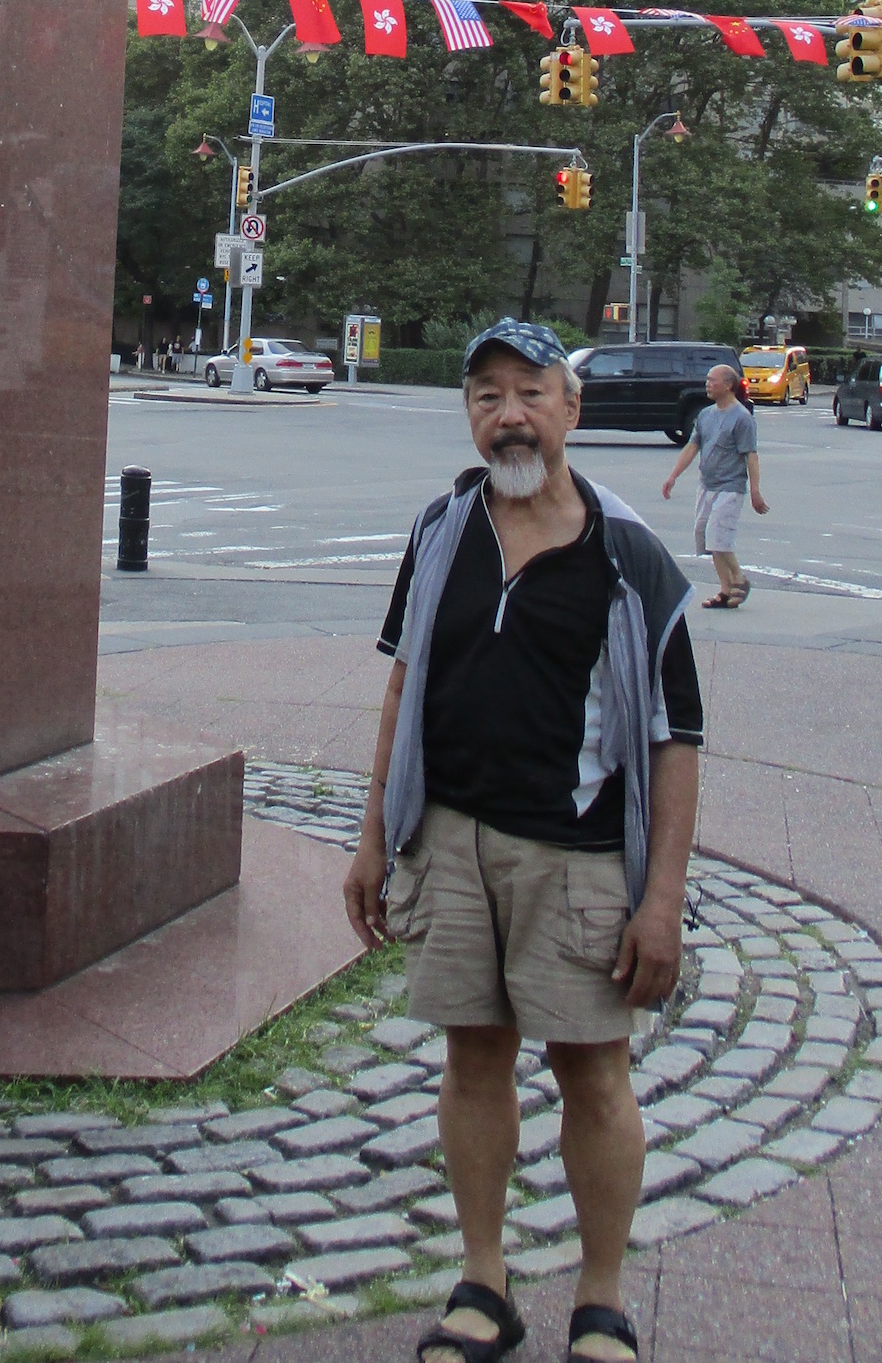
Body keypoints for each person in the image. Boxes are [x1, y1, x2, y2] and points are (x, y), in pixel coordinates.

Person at [344, 320, 700, 1363]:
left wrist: (661, 901)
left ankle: (599, 1301)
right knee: (471, 1063)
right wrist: (372, 840)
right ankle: (482, 1283)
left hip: (576, 855)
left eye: (529, 393)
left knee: (592, 1073)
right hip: (448, 840)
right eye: (485, 394)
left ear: (569, 410)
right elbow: (403, 681)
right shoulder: (443, 526)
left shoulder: (628, 558)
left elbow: (676, 740)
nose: (507, 414)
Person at [661, 363, 768, 609]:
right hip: (707, 485)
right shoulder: (706, 415)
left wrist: (755, 490)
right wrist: (673, 476)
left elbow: (750, 455)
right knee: (708, 536)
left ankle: (738, 579)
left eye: (712, 380)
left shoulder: (742, 418)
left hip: (730, 487)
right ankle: (726, 589)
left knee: (718, 536)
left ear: (728, 385)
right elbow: (692, 446)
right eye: (707, 380)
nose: (707, 384)